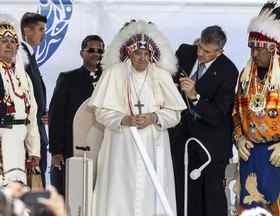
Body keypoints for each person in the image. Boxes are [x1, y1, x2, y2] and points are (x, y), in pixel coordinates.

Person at [88, 20, 186, 216]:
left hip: (154, 144)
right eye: (137, 53)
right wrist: (124, 120)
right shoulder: (113, 74)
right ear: (129, 53)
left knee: (151, 195)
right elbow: (101, 112)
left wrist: (154, 117)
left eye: (146, 54)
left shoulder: (162, 75)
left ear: (152, 55)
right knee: (120, 193)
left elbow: (175, 114)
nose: (142, 58)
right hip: (121, 147)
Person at [169, 25, 239, 216]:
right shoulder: (184, 52)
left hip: (211, 146)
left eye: (207, 52)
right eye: (199, 46)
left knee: (211, 199)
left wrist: (195, 97)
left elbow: (218, 114)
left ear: (220, 51)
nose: (200, 53)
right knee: (183, 195)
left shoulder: (229, 71)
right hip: (182, 141)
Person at [233, 2, 280, 215]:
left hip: (279, 155)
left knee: (278, 208)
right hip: (251, 155)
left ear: (273, 49)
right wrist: (239, 138)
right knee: (249, 208)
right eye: (251, 47)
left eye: (259, 48)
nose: (254, 53)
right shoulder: (246, 76)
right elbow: (236, 114)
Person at [48, 35, 104, 196]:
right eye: (91, 50)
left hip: (103, 148)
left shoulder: (109, 79)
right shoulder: (68, 78)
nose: (96, 54)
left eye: (100, 50)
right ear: (82, 53)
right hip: (71, 147)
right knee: (73, 194)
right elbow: (55, 116)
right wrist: (56, 151)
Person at [0, 15, 40, 185]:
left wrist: (34, 151)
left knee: (17, 193)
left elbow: (31, 117)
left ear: (18, 46)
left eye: (12, 40)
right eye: (3, 40)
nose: (9, 44)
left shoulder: (24, 79)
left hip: (19, 146)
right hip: (2, 141)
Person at [20, 12, 48, 187]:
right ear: (27, 31)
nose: (43, 34)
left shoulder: (29, 55)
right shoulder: (20, 55)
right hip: (27, 133)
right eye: (40, 29)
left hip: (37, 129)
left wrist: (42, 113)